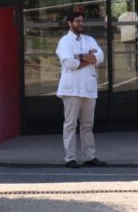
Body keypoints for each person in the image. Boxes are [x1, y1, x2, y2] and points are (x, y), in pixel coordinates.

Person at [55, 9, 106, 168]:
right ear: (69, 23)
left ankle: (89, 157)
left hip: (89, 89)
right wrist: (89, 59)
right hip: (71, 89)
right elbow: (69, 63)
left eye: (82, 21)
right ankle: (70, 158)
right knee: (70, 124)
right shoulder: (64, 41)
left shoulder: (90, 39)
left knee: (87, 125)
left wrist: (80, 57)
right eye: (77, 21)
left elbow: (100, 57)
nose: (80, 23)